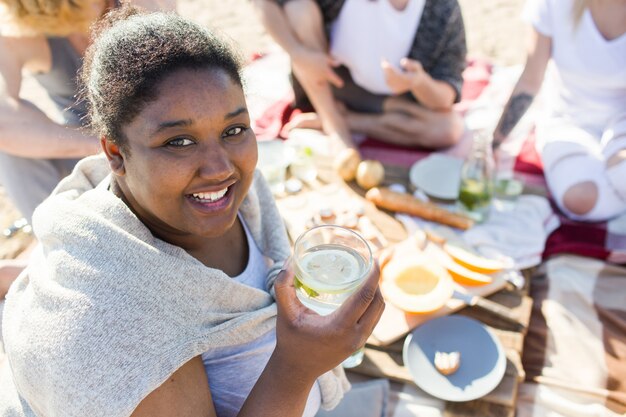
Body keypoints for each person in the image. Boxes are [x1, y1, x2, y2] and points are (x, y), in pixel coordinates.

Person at [0, 8, 385, 417]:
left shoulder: (243, 201)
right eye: (179, 142)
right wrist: (298, 366)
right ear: (115, 153)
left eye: (233, 130)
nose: (220, 168)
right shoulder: (111, 328)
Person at [0, 0, 175, 299]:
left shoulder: (140, 5)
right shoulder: (23, 30)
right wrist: (103, 146)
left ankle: (67, 265)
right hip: (93, 155)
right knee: (13, 146)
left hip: (158, 148)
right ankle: (62, 249)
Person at [253, 0, 466, 149]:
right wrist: (297, 52)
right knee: (300, 8)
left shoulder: (443, 8)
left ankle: (347, 121)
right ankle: (335, 126)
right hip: (332, 84)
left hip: (394, 99)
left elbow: (446, 94)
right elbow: (264, 3)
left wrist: (418, 83)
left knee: (449, 129)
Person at [493, 0, 626, 221]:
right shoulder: (555, 4)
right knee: (579, 200)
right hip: (566, 120)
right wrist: (494, 142)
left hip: (621, 119)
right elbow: (529, 81)